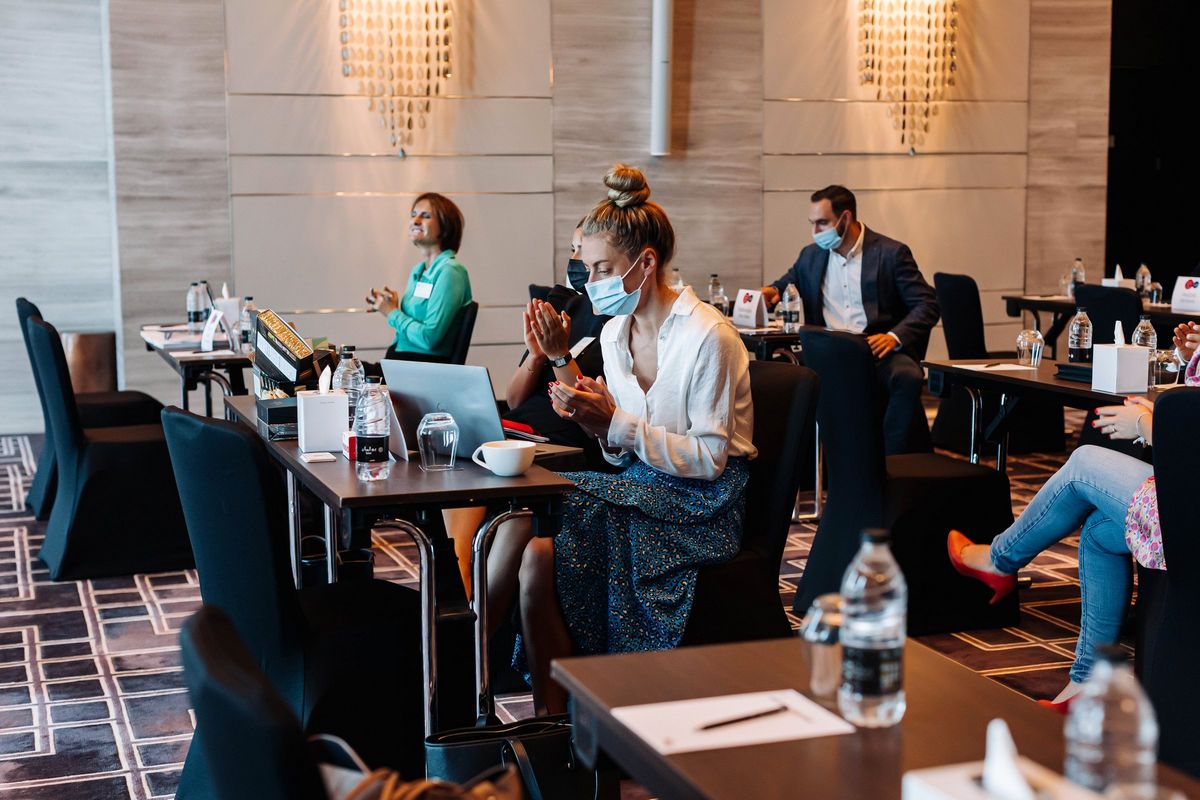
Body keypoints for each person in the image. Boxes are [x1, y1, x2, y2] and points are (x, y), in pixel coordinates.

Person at [485, 164, 757, 714]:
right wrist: (597, 423)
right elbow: (618, 455)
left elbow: (709, 460)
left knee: (534, 515)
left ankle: (468, 656)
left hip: (704, 503)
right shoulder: (613, 334)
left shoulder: (710, 337)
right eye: (586, 268)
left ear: (646, 263)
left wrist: (617, 425)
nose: (590, 283)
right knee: (531, 545)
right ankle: (552, 719)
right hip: (638, 487)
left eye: (602, 268)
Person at [949, 326, 1200, 707]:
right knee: (1098, 533)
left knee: (1083, 464)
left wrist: (1146, 425)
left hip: (1190, 506)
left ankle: (999, 560)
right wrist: (1185, 365)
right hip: (1186, 491)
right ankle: (1088, 682)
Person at [443, 222, 611, 595]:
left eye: (582, 249)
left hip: (563, 441)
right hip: (518, 427)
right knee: (460, 449)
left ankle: (468, 592)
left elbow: (583, 409)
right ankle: (461, 572)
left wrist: (559, 355)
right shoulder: (565, 306)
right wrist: (536, 355)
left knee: (489, 470)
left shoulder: (615, 321)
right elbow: (515, 398)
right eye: (571, 249)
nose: (575, 259)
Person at [760, 185, 939, 454]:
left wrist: (893, 337)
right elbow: (787, 283)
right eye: (812, 223)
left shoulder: (890, 253)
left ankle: (894, 461)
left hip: (873, 350)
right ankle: (792, 464)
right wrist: (773, 291)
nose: (815, 231)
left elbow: (927, 305)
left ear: (845, 218)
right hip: (826, 351)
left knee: (908, 376)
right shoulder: (811, 255)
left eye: (822, 223)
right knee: (773, 375)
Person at [369, 193, 472, 360]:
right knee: (332, 360)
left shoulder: (450, 272)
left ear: (445, 226)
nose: (415, 221)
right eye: (413, 214)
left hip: (421, 368)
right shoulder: (418, 271)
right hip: (400, 362)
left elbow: (428, 339)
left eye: (426, 216)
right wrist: (393, 306)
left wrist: (392, 312)